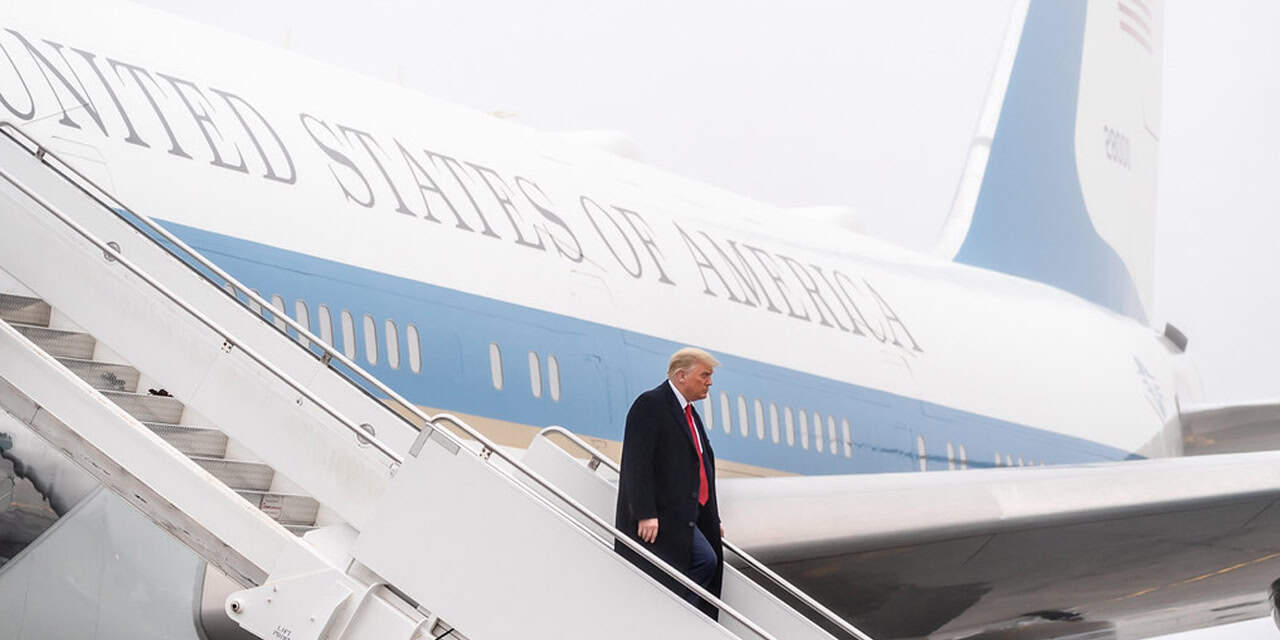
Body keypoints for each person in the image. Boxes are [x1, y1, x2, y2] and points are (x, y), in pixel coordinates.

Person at [615, 347, 724, 619]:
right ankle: (679, 617)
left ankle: (681, 615)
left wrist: (713, 517)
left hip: (687, 517)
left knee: (704, 563)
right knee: (705, 560)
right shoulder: (651, 405)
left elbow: (700, 468)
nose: (709, 382)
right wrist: (644, 513)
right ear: (681, 376)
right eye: (705, 375)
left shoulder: (691, 415)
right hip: (662, 518)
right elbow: (636, 462)